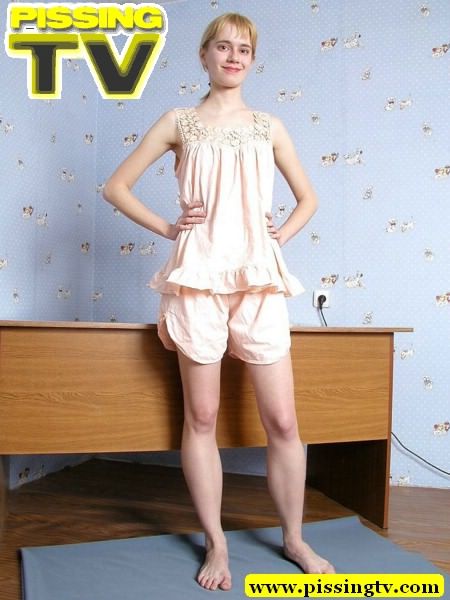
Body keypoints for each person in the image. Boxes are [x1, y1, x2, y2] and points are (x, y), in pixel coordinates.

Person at [103, 12, 335, 592]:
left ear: (252, 60)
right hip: (198, 278)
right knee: (201, 417)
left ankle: (294, 538)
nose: (234, 57)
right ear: (204, 54)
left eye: (244, 49)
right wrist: (168, 227)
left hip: (257, 280)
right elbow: (115, 187)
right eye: (224, 47)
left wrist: (278, 236)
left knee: (283, 420)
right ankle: (217, 541)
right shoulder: (178, 121)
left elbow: (307, 199)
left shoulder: (268, 126)